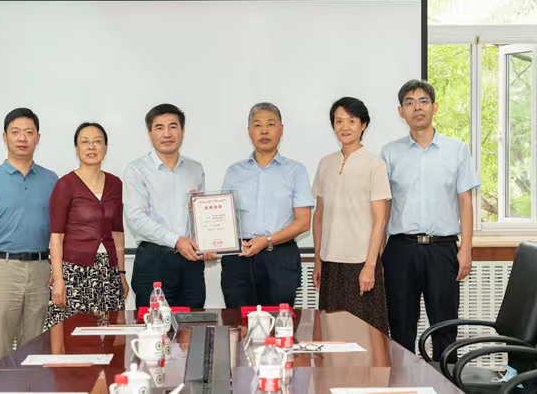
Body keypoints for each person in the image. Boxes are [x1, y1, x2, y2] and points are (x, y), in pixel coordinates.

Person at [381, 79, 480, 360]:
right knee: (401, 327)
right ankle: (402, 381)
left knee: (444, 327)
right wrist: (377, 251)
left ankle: (445, 380)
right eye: (409, 103)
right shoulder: (390, 152)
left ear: (434, 108)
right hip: (400, 250)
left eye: (423, 101)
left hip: (442, 249)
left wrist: (466, 249)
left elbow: (465, 202)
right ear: (401, 112)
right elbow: (384, 206)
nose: (417, 108)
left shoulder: (457, 149)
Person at [0, 108, 58, 366]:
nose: (22, 138)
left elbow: (59, 231)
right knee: (0, 348)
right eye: (15, 132)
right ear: (5, 137)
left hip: (40, 270)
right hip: (1, 269)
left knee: (35, 348)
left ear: (38, 138)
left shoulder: (52, 180)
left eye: (29, 132)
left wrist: (56, 268)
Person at [221, 102, 313, 308]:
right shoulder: (234, 171)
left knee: (278, 320)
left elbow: (303, 222)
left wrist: (267, 241)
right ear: (249, 131)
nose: (264, 131)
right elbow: (223, 217)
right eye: (257, 125)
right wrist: (200, 214)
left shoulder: (295, 171)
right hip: (239, 256)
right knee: (238, 320)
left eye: (271, 124)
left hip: (279, 255)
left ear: (281, 130)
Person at [311, 97, 391, 334]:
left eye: (351, 121)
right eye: (339, 121)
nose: (344, 127)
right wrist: (318, 260)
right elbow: (319, 216)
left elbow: (380, 219)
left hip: (360, 263)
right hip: (330, 263)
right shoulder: (325, 163)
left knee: (364, 336)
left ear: (363, 125)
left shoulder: (375, 164)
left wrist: (370, 265)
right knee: (331, 334)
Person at [124, 104, 215, 309]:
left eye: (173, 126)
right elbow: (136, 218)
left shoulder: (195, 168)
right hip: (154, 262)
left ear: (182, 131)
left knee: (193, 323)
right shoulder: (137, 170)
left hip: (191, 263)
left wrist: (208, 244)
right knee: (153, 324)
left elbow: (201, 217)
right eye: (159, 127)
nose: (167, 134)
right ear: (150, 133)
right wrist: (176, 241)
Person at [45, 122, 129, 329]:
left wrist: (121, 274)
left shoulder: (115, 184)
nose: (91, 147)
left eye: (97, 141)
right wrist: (59, 279)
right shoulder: (65, 184)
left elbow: (118, 233)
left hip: (108, 272)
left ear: (106, 147)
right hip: (74, 272)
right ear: (76, 149)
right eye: (85, 142)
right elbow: (56, 237)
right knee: (71, 335)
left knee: (110, 334)